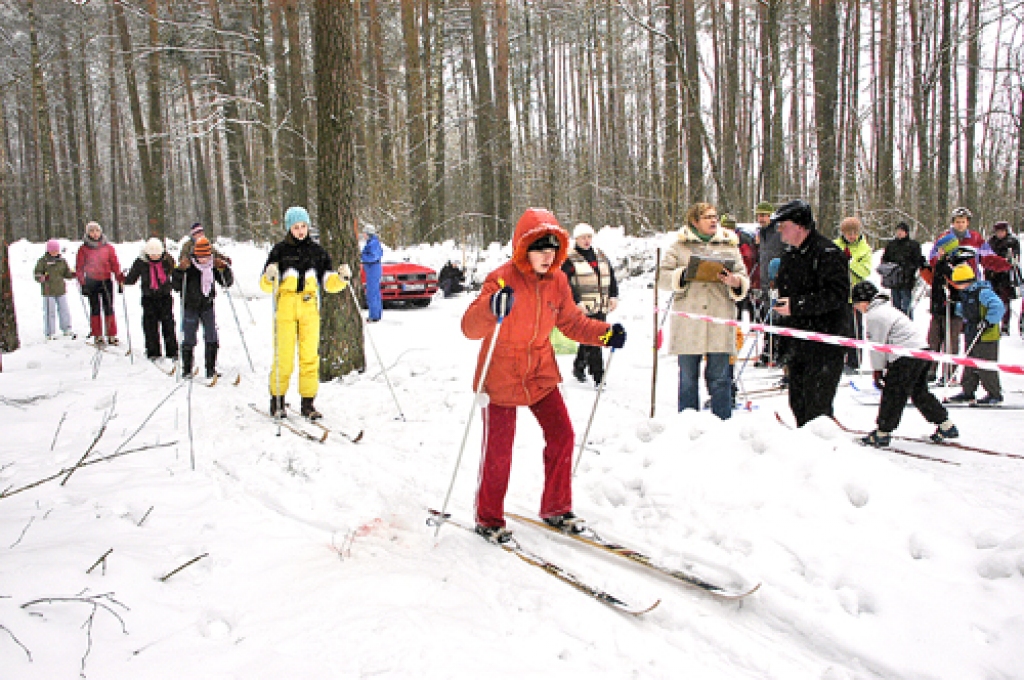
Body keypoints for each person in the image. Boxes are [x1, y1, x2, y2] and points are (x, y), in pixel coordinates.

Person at [461, 208, 625, 543]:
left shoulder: (558, 281)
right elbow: (469, 328)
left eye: (552, 250)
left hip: (539, 371)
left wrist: (605, 334)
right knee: (499, 450)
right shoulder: (501, 278)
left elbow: (572, 323)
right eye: (539, 249)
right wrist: (492, 306)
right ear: (524, 249)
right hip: (501, 373)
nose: (547, 257)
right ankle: (488, 518)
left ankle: (556, 507)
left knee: (562, 434)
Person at [657, 202, 749, 420]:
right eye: (707, 217)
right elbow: (662, 278)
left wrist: (735, 281)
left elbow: (743, 277)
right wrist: (683, 274)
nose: (713, 220)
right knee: (688, 378)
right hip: (689, 322)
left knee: (720, 379)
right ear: (695, 221)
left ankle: (722, 423)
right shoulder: (679, 247)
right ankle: (688, 424)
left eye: (715, 216)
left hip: (720, 319)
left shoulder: (729, 246)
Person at [261, 206, 351, 419]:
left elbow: (328, 282)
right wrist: (269, 276)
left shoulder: (318, 252)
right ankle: (277, 400)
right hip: (285, 307)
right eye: (296, 227)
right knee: (283, 356)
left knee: (310, 357)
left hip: (309, 306)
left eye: (303, 226)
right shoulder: (279, 251)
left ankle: (308, 403)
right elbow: (265, 286)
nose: (300, 231)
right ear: (289, 228)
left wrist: (341, 279)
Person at [771, 200, 851, 427]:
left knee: (817, 408)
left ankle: (821, 445)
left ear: (799, 226)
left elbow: (837, 296)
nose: (779, 230)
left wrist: (797, 305)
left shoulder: (828, 253)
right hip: (797, 342)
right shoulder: (789, 255)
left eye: (783, 225)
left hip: (824, 343)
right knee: (798, 402)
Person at [852, 281, 959, 447]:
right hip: (921, 351)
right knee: (919, 392)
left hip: (905, 356)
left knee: (894, 394)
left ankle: (883, 432)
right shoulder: (887, 309)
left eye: (857, 304)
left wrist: (878, 370)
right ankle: (946, 424)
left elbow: (877, 347)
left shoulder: (875, 315)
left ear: (864, 301)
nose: (857, 308)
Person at [924, 208, 1009, 383]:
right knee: (935, 334)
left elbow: (988, 258)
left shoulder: (975, 239)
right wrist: (941, 259)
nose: (960, 225)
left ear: (967, 223)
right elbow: (933, 261)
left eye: (963, 222)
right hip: (943, 289)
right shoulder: (944, 238)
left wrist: (1005, 264)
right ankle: (931, 370)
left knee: (955, 334)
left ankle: (952, 372)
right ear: (953, 223)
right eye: (957, 222)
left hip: (967, 288)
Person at [561, 222, 619, 386]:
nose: (586, 240)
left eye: (589, 237)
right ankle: (598, 375)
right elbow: (564, 283)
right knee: (595, 338)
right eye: (583, 238)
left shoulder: (600, 255)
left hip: (601, 304)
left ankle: (579, 366)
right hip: (583, 306)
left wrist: (613, 296)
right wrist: (576, 301)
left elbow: (611, 276)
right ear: (576, 239)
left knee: (589, 337)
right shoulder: (569, 259)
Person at [172, 236, 233, 380]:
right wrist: (180, 271)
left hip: (207, 305)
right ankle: (187, 369)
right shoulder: (189, 266)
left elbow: (227, 282)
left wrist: (224, 269)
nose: (203, 260)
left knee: (211, 336)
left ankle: (210, 369)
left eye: (206, 256)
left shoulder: (213, 265)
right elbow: (175, 286)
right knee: (189, 337)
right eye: (200, 257)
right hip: (190, 306)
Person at [945, 263, 1006, 405]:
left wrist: (988, 321)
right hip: (972, 331)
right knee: (969, 363)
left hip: (986, 334)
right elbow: (966, 310)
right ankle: (968, 391)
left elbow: (998, 306)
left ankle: (994, 394)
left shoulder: (983, 292)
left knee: (985, 365)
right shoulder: (966, 293)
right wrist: (954, 307)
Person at [124, 238, 179, 363]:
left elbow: (175, 273)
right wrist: (124, 280)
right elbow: (132, 277)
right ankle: (153, 351)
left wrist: (178, 282)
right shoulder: (141, 262)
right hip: (149, 298)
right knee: (150, 326)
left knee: (168, 325)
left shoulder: (167, 260)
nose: (155, 256)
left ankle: (172, 351)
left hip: (165, 297)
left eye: (157, 254)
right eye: (152, 254)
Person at [75, 221, 124, 345]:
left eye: (97, 231)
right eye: (92, 231)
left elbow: (115, 264)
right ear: (88, 233)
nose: (95, 233)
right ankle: (97, 334)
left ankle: (111, 334)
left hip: (106, 280)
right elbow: (79, 267)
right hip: (91, 281)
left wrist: (120, 279)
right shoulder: (83, 249)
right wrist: (82, 283)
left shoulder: (108, 248)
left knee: (109, 307)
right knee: (95, 308)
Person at [835, 216, 872, 372]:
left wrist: (851, 263)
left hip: (855, 295)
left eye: (855, 233)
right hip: (838, 294)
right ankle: (837, 359)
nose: (852, 236)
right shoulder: (835, 246)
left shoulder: (864, 249)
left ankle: (854, 360)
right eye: (849, 233)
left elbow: (866, 270)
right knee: (838, 328)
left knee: (854, 328)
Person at [755, 201, 782, 364]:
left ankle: (778, 351)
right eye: (759, 215)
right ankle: (768, 350)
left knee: (778, 318)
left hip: (778, 282)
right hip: (765, 282)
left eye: (765, 215)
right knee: (767, 317)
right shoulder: (761, 233)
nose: (762, 219)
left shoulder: (778, 232)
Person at [880, 222, 925, 318]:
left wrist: (909, 270)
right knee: (895, 306)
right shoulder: (891, 245)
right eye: (898, 231)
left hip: (907, 279)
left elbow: (917, 260)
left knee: (906, 306)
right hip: (894, 279)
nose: (899, 233)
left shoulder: (913, 245)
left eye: (902, 231)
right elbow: (885, 259)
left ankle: (907, 323)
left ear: (906, 232)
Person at [34, 239, 76, 339]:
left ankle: (66, 328)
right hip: (48, 291)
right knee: (50, 311)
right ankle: (50, 332)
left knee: (64, 310)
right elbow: (37, 273)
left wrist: (73, 274)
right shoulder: (43, 261)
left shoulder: (62, 261)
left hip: (61, 290)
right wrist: (42, 277)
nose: (54, 252)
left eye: (56, 250)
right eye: (52, 250)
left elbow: (66, 273)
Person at [985, 221, 1020, 335]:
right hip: (992, 275)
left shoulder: (1012, 241)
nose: (1000, 234)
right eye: (998, 232)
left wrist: (1007, 262)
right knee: (992, 300)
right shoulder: (991, 242)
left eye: (1002, 231)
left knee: (1005, 300)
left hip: (1006, 276)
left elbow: (1014, 259)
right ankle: (993, 323)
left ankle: (1005, 325)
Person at [361, 224, 384, 322]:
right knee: (375, 292)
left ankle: (374, 316)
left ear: (368, 234)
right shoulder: (372, 242)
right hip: (373, 268)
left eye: (364, 233)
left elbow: (373, 256)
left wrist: (362, 257)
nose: (363, 235)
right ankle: (376, 314)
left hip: (373, 268)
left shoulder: (373, 243)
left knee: (372, 293)